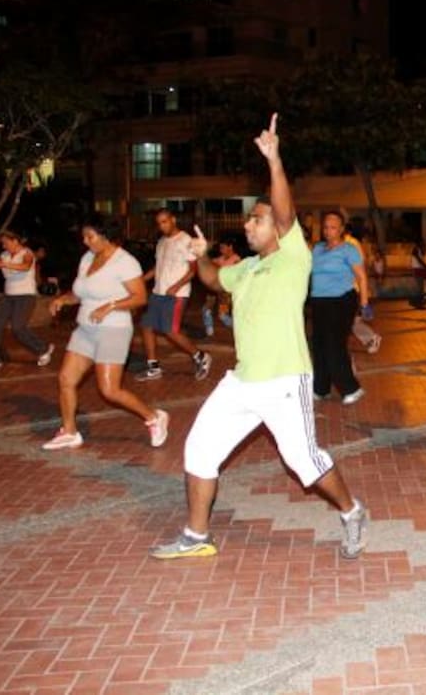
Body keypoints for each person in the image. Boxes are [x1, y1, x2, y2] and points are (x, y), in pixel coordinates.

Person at [150, 114, 369, 561]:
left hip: (285, 381)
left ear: (279, 230)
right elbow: (214, 281)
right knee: (199, 448)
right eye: (249, 220)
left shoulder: (294, 258)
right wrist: (201, 257)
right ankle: (196, 535)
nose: (249, 225)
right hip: (242, 380)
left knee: (304, 463)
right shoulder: (246, 268)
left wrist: (274, 159)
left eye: (256, 219)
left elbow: (285, 212)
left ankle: (351, 510)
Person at [45, 215, 169, 451]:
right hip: (85, 328)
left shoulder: (125, 262)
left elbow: (140, 297)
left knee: (109, 390)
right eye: (84, 236)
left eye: (90, 236)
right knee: (66, 379)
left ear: (105, 236)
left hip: (114, 329)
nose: (85, 241)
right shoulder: (87, 258)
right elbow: (80, 293)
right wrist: (63, 299)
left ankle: (154, 417)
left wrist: (110, 306)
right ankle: (70, 432)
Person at [135, 208, 212, 382]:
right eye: (159, 223)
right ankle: (153, 367)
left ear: (173, 219)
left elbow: (193, 270)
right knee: (146, 326)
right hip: (158, 292)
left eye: (165, 221)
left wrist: (176, 286)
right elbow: (158, 267)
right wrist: (141, 280)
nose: (162, 226)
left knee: (170, 331)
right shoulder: (161, 242)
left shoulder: (185, 240)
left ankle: (200, 356)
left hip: (177, 295)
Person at [0, 230, 54, 370]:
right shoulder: (5, 255)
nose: (3, 246)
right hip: (8, 296)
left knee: (18, 328)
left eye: (5, 242)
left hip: (25, 296)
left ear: (15, 241)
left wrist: (6, 265)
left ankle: (43, 349)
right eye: (3, 243)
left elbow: (26, 266)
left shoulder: (27, 253)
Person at [310, 210, 370, 405]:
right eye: (326, 227)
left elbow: (361, 277)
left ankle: (352, 388)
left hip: (342, 301)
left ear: (342, 229)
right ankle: (321, 389)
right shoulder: (317, 249)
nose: (328, 231)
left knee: (334, 345)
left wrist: (364, 303)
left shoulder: (348, 250)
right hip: (319, 302)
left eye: (333, 227)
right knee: (318, 346)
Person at [345, 225, 382, 354]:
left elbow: (361, 266)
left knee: (350, 320)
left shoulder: (351, 244)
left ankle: (371, 337)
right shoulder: (347, 243)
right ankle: (370, 338)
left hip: (351, 288)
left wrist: (364, 299)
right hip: (347, 288)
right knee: (350, 320)